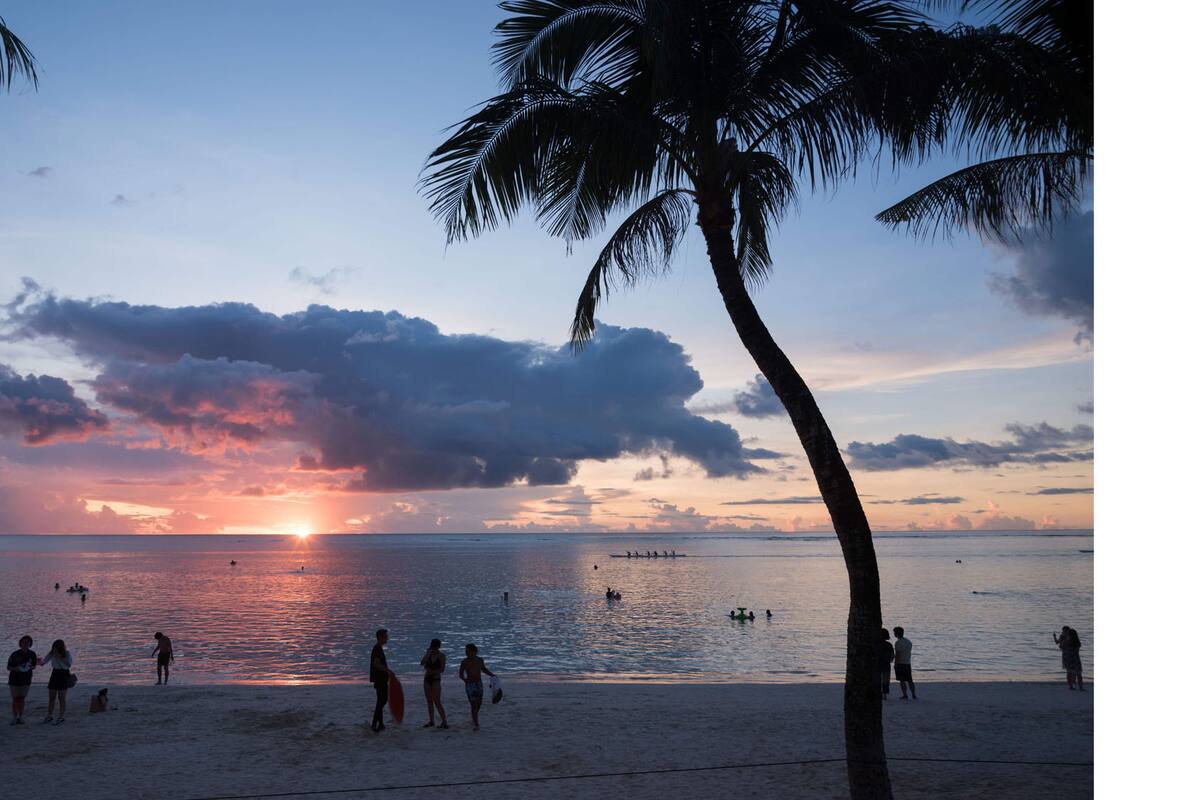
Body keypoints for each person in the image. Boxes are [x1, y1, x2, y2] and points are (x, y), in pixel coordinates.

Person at [458, 643, 495, 731]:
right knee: (473, 704)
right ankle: (476, 724)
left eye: (468, 651)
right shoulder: (464, 662)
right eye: (465, 651)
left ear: (474, 651)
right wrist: (464, 680)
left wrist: (492, 675)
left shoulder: (479, 660)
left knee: (479, 703)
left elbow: (484, 669)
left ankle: (474, 717)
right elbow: (461, 674)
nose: (466, 653)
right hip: (470, 685)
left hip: (479, 684)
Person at [40, 639, 72, 724]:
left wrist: (59, 656)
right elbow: (43, 662)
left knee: (62, 698)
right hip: (55, 674)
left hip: (63, 674)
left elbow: (69, 664)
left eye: (57, 647)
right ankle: (49, 715)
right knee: (52, 697)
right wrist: (38, 662)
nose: (55, 649)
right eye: (54, 647)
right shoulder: (51, 653)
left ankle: (61, 716)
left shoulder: (67, 653)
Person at [7, 635, 37, 725]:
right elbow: (8, 667)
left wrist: (30, 667)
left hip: (26, 680)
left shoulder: (32, 654)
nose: (25, 644)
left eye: (27, 642)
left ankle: (20, 717)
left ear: (30, 644)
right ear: (20, 643)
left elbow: (34, 666)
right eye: (24, 642)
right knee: (15, 699)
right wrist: (16, 669)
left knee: (22, 698)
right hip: (14, 679)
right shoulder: (15, 654)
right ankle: (14, 717)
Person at [420, 639, 449, 729]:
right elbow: (422, 663)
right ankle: (431, 721)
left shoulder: (441, 656)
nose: (434, 648)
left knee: (437, 701)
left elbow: (442, 669)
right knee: (429, 701)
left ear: (438, 647)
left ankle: (444, 721)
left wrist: (433, 672)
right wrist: (427, 654)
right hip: (427, 679)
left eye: (435, 646)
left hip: (436, 679)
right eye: (433, 646)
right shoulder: (428, 654)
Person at [369, 629, 393, 732]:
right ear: (380, 637)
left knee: (381, 700)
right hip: (380, 679)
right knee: (382, 701)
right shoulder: (377, 649)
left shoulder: (378, 648)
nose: (387, 638)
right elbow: (376, 664)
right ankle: (374, 724)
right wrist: (388, 670)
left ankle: (380, 724)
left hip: (381, 678)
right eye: (386, 636)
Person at [1054, 626, 1085, 690]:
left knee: (1070, 672)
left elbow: (1061, 647)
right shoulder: (1076, 641)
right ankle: (1080, 687)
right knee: (1078, 673)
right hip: (1075, 658)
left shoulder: (1065, 641)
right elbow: (1077, 650)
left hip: (1068, 658)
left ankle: (1071, 686)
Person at [892, 626, 916, 700]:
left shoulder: (898, 643)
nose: (894, 634)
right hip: (907, 663)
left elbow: (898, 655)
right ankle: (913, 694)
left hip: (901, 663)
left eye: (894, 633)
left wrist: (895, 664)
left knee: (902, 680)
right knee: (910, 680)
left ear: (896, 633)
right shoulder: (908, 642)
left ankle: (905, 695)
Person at [878, 628, 894, 700]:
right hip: (886, 664)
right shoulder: (889, 645)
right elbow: (892, 655)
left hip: (877, 664)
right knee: (885, 680)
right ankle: (884, 695)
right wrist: (890, 660)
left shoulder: (876, 644)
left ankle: (879, 693)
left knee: (878, 679)